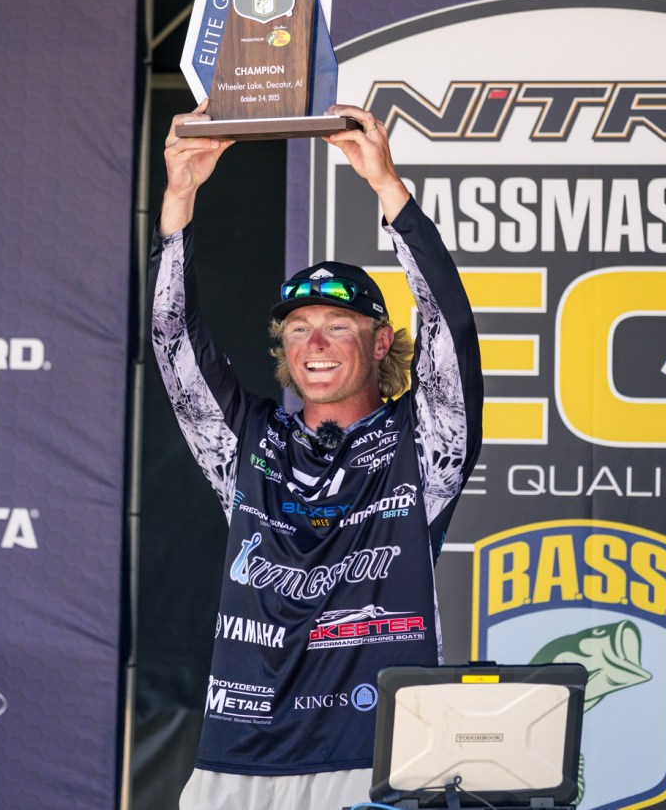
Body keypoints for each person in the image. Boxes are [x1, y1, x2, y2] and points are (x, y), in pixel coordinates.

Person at [149, 101, 483, 810]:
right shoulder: (245, 444)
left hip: (376, 758)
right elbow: (174, 343)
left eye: (338, 324)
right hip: (236, 762)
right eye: (298, 328)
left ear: (381, 341)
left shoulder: (422, 444)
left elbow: (449, 333)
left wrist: (388, 189)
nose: (316, 343)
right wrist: (179, 200)